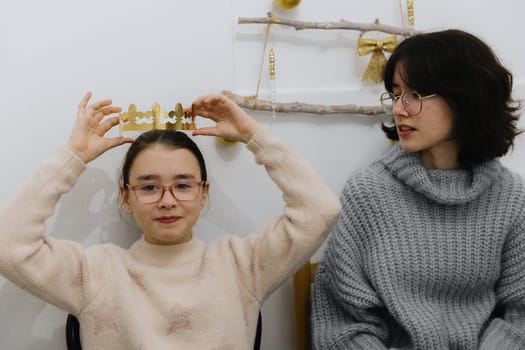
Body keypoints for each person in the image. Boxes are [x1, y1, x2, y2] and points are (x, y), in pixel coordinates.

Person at [0, 92, 340, 349]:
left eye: (182, 185)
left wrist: (253, 134)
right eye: (149, 187)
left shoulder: (240, 265)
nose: (167, 200)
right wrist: (72, 157)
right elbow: (9, 246)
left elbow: (319, 210)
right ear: (126, 197)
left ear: (204, 192)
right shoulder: (97, 273)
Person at [311, 29, 525, 349]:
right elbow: (344, 323)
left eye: (415, 95)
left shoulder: (509, 196)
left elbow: (518, 316)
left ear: (465, 97)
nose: (398, 109)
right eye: (395, 94)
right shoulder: (368, 193)